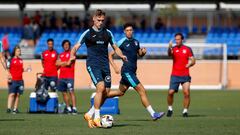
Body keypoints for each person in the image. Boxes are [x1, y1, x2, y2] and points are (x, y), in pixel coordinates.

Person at [70, 9, 127, 128]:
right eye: (98, 20)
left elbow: (115, 47)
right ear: (93, 19)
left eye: (102, 20)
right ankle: (96, 117)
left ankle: (89, 114)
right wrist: (72, 53)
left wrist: (121, 55)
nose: (100, 22)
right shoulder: (87, 33)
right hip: (93, 64)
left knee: (105, 92)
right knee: (100, 87)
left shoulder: (108, 33)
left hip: (105, 65)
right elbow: (76, 46)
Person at [108, 23, 165, 120]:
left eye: (131, 30)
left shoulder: (136, 42)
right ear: (124, 32)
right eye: (127, 30)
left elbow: (139, 54)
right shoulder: (121, 42)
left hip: (132, 72)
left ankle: (101, 96)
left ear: (133, 31)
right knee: (142, 91)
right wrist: (114, 67)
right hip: (127, 72)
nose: (129, 32)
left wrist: (143, 52)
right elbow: (110, 55)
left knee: (120, 93)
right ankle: (153, 114)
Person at [167, 33, 196, 117]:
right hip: (175, 75)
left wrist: (190, 64)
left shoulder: (187, 49)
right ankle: (170, 109)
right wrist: (169, 47)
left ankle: (185, 111)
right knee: (170, 92)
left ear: (182, 40)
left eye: (178, 39)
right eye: (176, 39)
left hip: (185, 75)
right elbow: (169, 54)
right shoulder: (173, 48)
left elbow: (193, 60)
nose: (177, 41)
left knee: (186, 93)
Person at [7, 46, 30, 114]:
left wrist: (26, 70)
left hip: (20, 80)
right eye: (17, 51)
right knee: (12, 94)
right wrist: (9, 76)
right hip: (13, 80)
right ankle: (8, 108)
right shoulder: (10, 60)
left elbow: (20, 69)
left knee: (18, 95)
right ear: (14, 52)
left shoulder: (21, 60)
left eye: (19, 51)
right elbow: (8, 69)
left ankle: (15, 109)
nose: (19, 52)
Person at [56, 40, 77, 115]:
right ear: (62, 46)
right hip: (61, 77)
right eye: (65, 45)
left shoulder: (72, 54)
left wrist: (62, 63)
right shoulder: (60, 54)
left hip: (69, 77)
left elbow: (69, 63)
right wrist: (65, 63)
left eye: (67, 45)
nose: (66, 46)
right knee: (64, 93)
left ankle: (74, 108)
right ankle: (68, 108)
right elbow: (56, 64)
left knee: (71, 92)